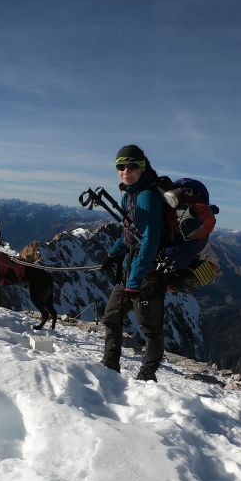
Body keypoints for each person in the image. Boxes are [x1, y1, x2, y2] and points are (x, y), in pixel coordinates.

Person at [99, 144, 167, 381]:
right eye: (120, 166)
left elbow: (150, 240)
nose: (125, 171)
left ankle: (147, 376)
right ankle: (109, 366)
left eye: (132, 166)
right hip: (131, 268)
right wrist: (113, 253)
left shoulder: (147, 195)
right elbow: (129, 233)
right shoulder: (130, 194)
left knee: (150, 328)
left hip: (149, 272)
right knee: (112, 316)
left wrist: (136, 278)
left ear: (143, 166)